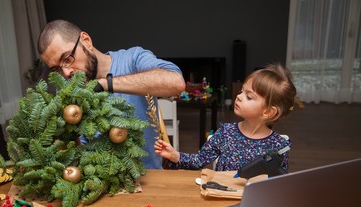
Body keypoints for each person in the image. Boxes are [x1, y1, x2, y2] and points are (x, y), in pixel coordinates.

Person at [37, 19, 185, 169]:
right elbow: (76, 152)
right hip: (96, 184)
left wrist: (105, 84)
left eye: (67, 59)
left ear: (86, 40)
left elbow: (176, 83)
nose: (66, 73)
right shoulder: (67, 88)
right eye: (56, 69)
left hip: (149, 178)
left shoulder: (132, 59)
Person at [155, 63, 297, 172]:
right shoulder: (226, 133)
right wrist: (174, 155)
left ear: (268, 112)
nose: (238, 97)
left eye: (249, 96)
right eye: (241, 91)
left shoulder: (279, 146)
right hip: (221, 202)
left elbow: (277, 184)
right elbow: (199, 160)